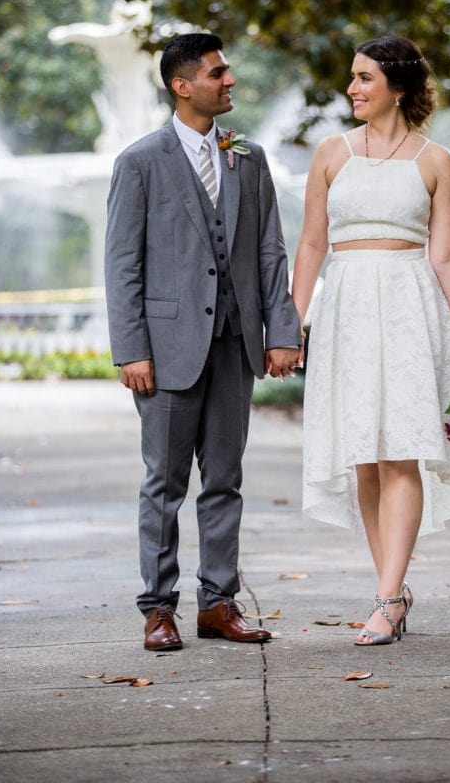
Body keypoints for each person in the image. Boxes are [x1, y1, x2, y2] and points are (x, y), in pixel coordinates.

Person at [105, 32, 302, 651]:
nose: (230, 81)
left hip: (235, 344)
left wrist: (282, 330)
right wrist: (131, 348)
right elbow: (122, 264)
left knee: (225, 479)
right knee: (164, 483)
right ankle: (158, 609)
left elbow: (270, 250)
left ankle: (218, 603)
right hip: (164, 352)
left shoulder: (248, 154)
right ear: (181, 84)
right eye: (218, 73)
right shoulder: (139, 162)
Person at [292, 36, 450, 646]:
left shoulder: (434, 160)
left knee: (402, 448)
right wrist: (292, 321)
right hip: (346, 305)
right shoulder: (330, 153)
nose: (352, 88)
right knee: (364, 457)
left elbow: (448, 253)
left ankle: (384, 598)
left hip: (409, 305)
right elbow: (311, 245)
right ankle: (394, 592)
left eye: (364, 78)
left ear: (398, 86)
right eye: (351, 78)